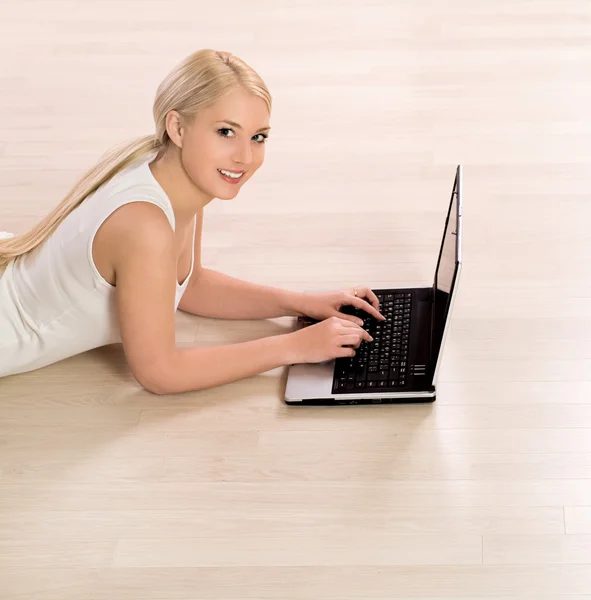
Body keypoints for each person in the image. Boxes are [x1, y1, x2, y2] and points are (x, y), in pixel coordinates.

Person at [0, 49, 385, 393]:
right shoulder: (144, 225)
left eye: (258, 137)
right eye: (225, 132)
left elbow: (190, 285)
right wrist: (294, 347)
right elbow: (159, 372)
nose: (245, 157)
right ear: (178, 128)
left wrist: (298, 302)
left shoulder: (171, 177)